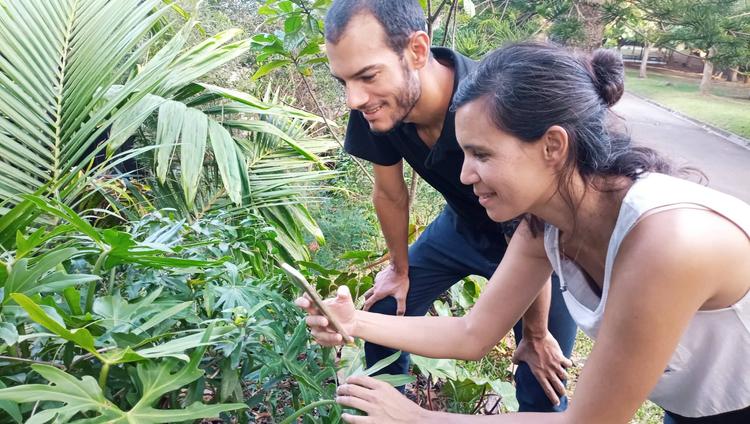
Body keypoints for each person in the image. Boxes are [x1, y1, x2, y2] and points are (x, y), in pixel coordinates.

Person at [297, 42, 750, 423]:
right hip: (692, 402)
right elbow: (473, 334)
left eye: (481, 155)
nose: (466, 175)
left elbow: (588, 422)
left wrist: (421, 417)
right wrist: (353, 320)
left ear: (553, 145)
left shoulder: (665, 242)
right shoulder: (545, 227)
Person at [322, 0, 578, 412]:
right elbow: (389, 193)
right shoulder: (378, 105)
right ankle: (386, 412)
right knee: (387, 309)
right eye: (344, 81)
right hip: (462, 228)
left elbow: (535, 220)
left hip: (544, 243)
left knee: (542, 376)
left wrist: (534, 333)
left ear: (417, 51)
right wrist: (398, 270)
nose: (354, 98)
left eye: (368, 75)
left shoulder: (489, 103)